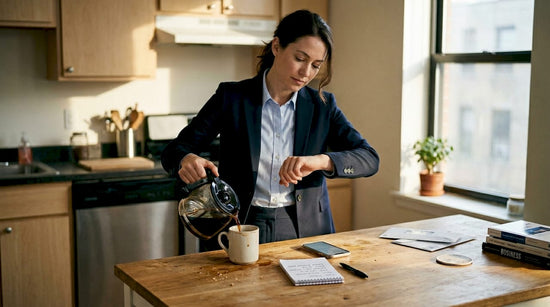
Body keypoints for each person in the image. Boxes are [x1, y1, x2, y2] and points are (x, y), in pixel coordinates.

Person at [162, 10, 379, 248]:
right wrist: (186, 157)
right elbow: (174, 150)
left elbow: (369, 159)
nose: (306, 73)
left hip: (304, 228)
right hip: (239, 224)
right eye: (300, 58)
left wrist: (320, 161)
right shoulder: (231, 97)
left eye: (316, 65)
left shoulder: (323, 106)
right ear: (276, 46)